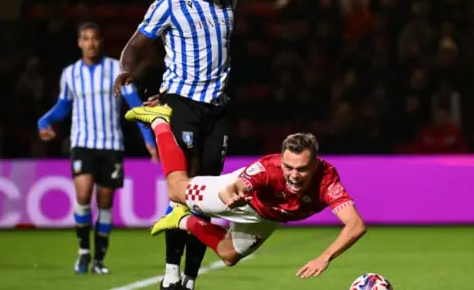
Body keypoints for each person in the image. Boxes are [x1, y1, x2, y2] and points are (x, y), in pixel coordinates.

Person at [113, 0, 236, 290]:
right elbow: (134, 46)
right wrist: (128, 76)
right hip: (182, 102)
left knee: (210, 197)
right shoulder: (171, 0)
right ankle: (170, 274)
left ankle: (190, 279)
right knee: (185, 189)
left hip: (217, 107)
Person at [125, 105, 367, 279]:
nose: (293, 175)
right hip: (245, 201)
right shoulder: (267, 169)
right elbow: (238, 186)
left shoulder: (327, 179)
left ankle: (183, 220)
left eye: (302, 169)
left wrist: (324, 257)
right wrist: (231, 194)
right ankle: (159, 121)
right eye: (288, 167)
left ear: (315, 164)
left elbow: (355, 225)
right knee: (175, 189)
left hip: (268, 217)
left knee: (229, 256)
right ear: (281, 161)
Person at [37, 22, 158, 275]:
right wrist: (44, 120)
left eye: (94, 38)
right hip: (82, 143)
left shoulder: (117, 68)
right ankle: (83, 253)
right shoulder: (70, 73)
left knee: (105, 202)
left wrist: (148, 137)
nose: (90, 43)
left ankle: (100, 259)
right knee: (82, 195)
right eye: (86, 39)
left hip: (111, 145)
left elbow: (133, 103)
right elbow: (63, 106)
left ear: (101, 41)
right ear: (79, 43)